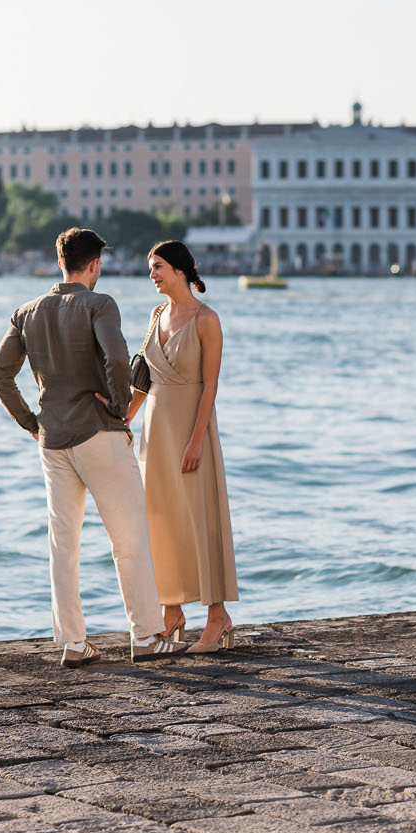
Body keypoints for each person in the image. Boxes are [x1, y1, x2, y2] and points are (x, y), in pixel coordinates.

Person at [0, 227, 188, 668]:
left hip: (53, 440)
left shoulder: (26, 312)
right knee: (129, 537)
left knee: (64, 544)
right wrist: (119, 407)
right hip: (98, 432)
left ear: (61, 261)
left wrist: (31, 424)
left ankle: (74, 644)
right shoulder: (100, 303)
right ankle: (148, 635)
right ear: (94, 264)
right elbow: (117, 358)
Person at [128, 239, 239, 653]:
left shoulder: (207, 320)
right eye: (150, 268)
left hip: (192, 431)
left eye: (157, 267)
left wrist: (196, 440)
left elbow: (211, 384)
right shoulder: (156, 315)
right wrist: (124, 419)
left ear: (179, 270)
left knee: (201, 519)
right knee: (159, 521)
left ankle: (217, 617)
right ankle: (171, 612)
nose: (152, 275)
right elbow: (143, 378)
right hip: (154, 435)